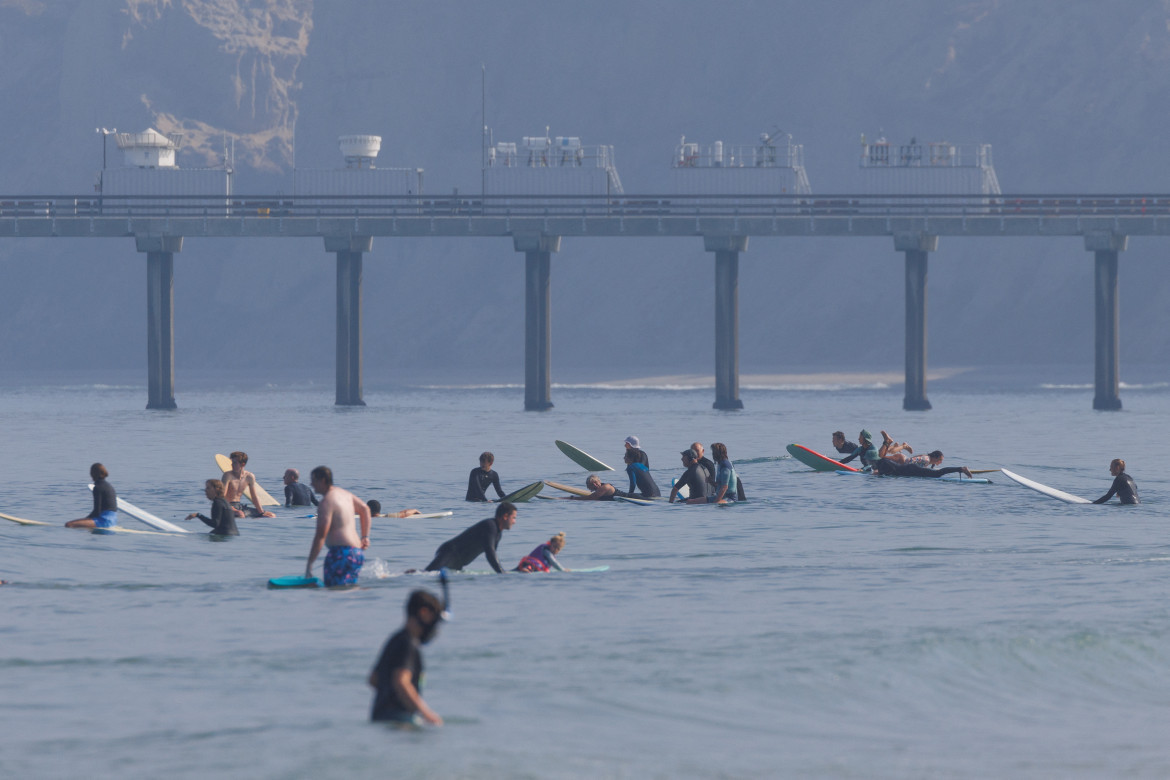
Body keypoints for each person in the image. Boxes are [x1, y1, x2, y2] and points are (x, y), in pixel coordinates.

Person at [369, 589, 444, 726]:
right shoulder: (409, 644)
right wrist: (427, 714)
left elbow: (374, 679)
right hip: (398, 719)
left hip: (379, 717)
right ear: (424, 613)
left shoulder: (394, 639)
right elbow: (401, 681)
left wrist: (388, 695)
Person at [305, 466, 372, 587]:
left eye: (314, 480)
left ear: (323, 480)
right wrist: (365, 537)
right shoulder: (345, 494)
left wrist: (310, 563)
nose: (311, 484)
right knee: (349, 592)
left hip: (340, 554)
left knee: (333, 594)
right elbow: (365, 509)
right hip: (357, 554)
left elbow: (320, 535)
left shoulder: (326, 502)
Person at [425, 502, 516, 573]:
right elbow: (490, 553)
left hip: (458, 562)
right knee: (427, 574)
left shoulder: (498, 533)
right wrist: (502, 573)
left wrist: (515, 570)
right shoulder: (490, 526)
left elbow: (494, 558)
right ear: (505, 516)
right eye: (513, 518)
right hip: (449, 553)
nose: (514, 522)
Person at [221, 451, 275, 518]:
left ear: (242, 464)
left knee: (271, 515)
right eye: (232, 462)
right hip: (227, 506)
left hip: (239, 506)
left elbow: (254, 497)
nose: (232, 465)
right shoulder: (227, 475)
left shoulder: (249, 477)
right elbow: (222, 496)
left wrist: (261, 512)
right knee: (240, 514)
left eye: (235, 463)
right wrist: (230, 508)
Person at [66, 463, 117, 529]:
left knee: (69, 524)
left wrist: (84, 520)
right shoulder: (109, 485)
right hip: (113, 520)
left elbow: (96, 512)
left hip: (104, 521)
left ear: (93, 474)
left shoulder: (98, 487)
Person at [871, 458, 973, 479]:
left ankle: (962, 469)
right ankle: (960, 469)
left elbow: (887, 474)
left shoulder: (882, 464)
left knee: (937, 474)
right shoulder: (883, 461)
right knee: (936, 474)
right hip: (910, 469)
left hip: (911, 470)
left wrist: (877, 473)